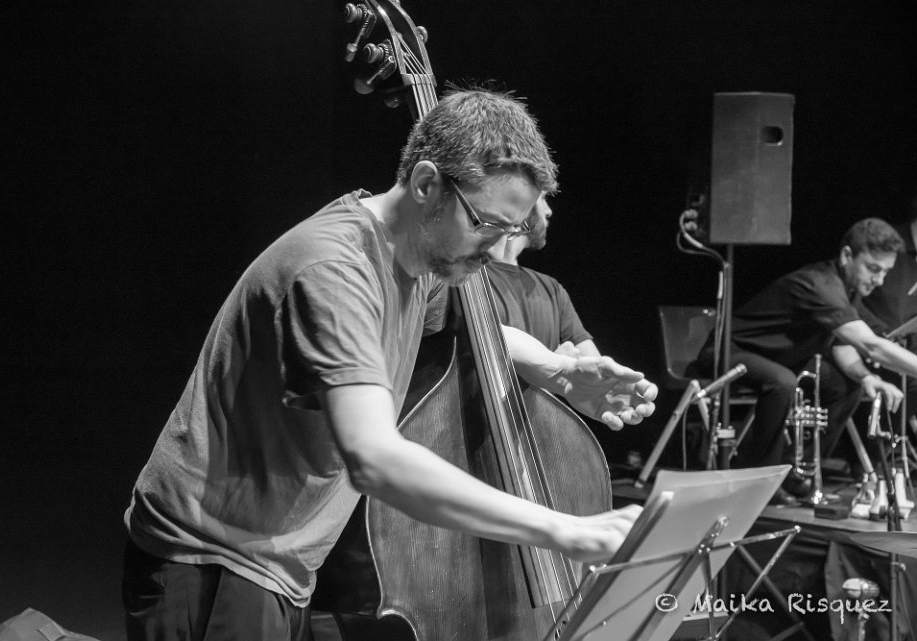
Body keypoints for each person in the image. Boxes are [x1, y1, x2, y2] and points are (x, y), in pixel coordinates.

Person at [121, 88, 658, 640]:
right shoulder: (333, 271)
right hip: (211, 559)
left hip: (277, 561)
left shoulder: (414, 262)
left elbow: (477, 331)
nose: (496, 248)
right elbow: (375, 459)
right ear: (427, 186)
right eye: (487, 224)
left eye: (511, 231)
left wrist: (556, 370)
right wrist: (567, 531)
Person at [696, 218, 912, 506]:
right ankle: (758, 482)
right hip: (728, 353)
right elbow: (871, 346)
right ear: (847, 255)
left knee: (847, 385)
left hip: (779, 361)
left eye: (885, 272)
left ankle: (797, 473)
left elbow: (842, 346)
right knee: (782, 382)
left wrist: (867, 377)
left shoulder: (848, 290)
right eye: (873, 269)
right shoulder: (819, 284)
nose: (880, 280)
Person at [485, 194, 599, 358]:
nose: (549, 211)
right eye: (543, 198)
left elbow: (595, 364)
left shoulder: (552, 288)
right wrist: (556, 364)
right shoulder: (466, 275)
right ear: (522, 203)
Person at [856, 194, 917, 415]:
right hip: (874, 351)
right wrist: (881, 334)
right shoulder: (885, 245)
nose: (880, 278)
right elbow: (849, 300)